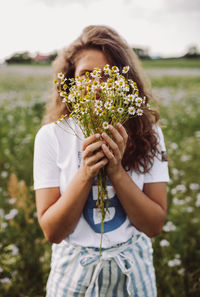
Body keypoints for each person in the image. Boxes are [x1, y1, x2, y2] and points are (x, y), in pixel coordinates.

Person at [33, 25, 170, 297]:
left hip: (133, 272)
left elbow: (154, 225)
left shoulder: (148, 132)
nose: (97, 84)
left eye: (109, 76)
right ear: (70, 81)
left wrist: (116, 171)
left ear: (124, 82)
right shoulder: (52, 135)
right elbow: (52, 232)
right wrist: (86, 173)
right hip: (73, 275)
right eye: (86, 74)